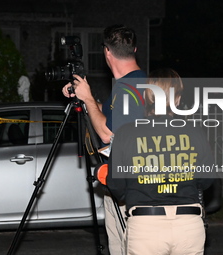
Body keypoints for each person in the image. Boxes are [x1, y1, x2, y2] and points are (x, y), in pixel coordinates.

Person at [106, 68, 214, 255]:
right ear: (178, 99)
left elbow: (116, 187)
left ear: (147, 96)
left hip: (146, 227)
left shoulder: (127, 133)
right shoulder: (195, 132)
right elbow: (206, 180)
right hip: (188, 226)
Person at [62, 24, 147, 255]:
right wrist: (85, 98)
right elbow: (109, 117)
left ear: (107, 52)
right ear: (134, 49)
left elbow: (108, 134)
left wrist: (88, 99)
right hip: (119, 181)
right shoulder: (129, 84)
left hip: (130, 187)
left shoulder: (132, 86)